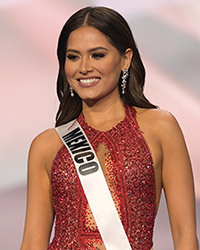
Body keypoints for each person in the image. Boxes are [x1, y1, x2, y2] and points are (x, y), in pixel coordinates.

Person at [20, 6, 198, 250]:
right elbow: (32, 242)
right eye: (73, 57)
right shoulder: (47, 145)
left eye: (97, 55)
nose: (83, 67)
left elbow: (185, 234)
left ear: (125, 59)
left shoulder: (161, 128)